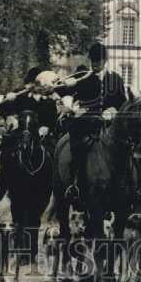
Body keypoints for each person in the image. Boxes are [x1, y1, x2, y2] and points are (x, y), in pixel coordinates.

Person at [54, 41, 126, 203]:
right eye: (93, 61)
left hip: (110, 125)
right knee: (78, 147)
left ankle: (132, 187)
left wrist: (114, 110)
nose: (95, 65)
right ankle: (74, 184)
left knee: (128, 146)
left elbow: (123, 103)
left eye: (98, 61)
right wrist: (65, 88)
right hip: (87, 124)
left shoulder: (116, 79)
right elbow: (61, 90)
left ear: (105, 61)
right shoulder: (82, 77)